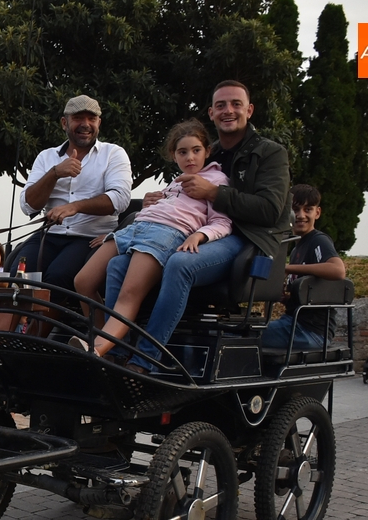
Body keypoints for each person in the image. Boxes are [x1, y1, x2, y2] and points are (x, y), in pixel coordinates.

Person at [111, 81, 291, 373]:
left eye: (235, 104)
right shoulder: (208, 151)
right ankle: (116, 351)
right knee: (118, 264)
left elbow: (270, 210)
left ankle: (146, 359)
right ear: (211, 113)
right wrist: (155, 199)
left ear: (249, 110)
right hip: (197, 230)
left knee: (180, 264)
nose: (228, 110)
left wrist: (214, 193)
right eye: (221, 105)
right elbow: (184, 196)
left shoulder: (270, 153)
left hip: (244, 236)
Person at [72, 119, 231, 358]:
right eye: (182, 152)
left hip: (166, 234)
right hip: (135, 228)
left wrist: (200, 235)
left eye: (196, 150)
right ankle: (104, 338)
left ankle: (98, 348)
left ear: (207, 151)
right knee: (83, 281)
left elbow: (222, 222)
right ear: (173, 155)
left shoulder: (215, 180)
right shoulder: (176, 182)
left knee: (128, 295)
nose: (190, 157)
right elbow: (158, 209)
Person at [12, 95, 132, 291]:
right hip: (49, 235)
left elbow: (120, 199)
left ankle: (44, 314)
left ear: (99, 123)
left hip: (89, 237)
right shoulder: (46, 157)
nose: (85, 124)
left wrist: (75, 207)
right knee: (18, 275)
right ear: (64, 123)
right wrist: (54, 173)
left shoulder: (113, 154)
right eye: (78, 118)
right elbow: (28, 206)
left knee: (58, 276)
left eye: (91, 118)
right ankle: (10, 312)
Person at [260, 184, 346, 352]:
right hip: (294, 323)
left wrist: (287, 268)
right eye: (295, 210)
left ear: (317, 213)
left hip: (310, 331)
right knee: (249, 328)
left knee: (245, 335)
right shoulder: (296, 248)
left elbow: (338, 270)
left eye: (308, 210)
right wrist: (286, 298)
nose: (301, 215)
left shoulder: (318, 240)